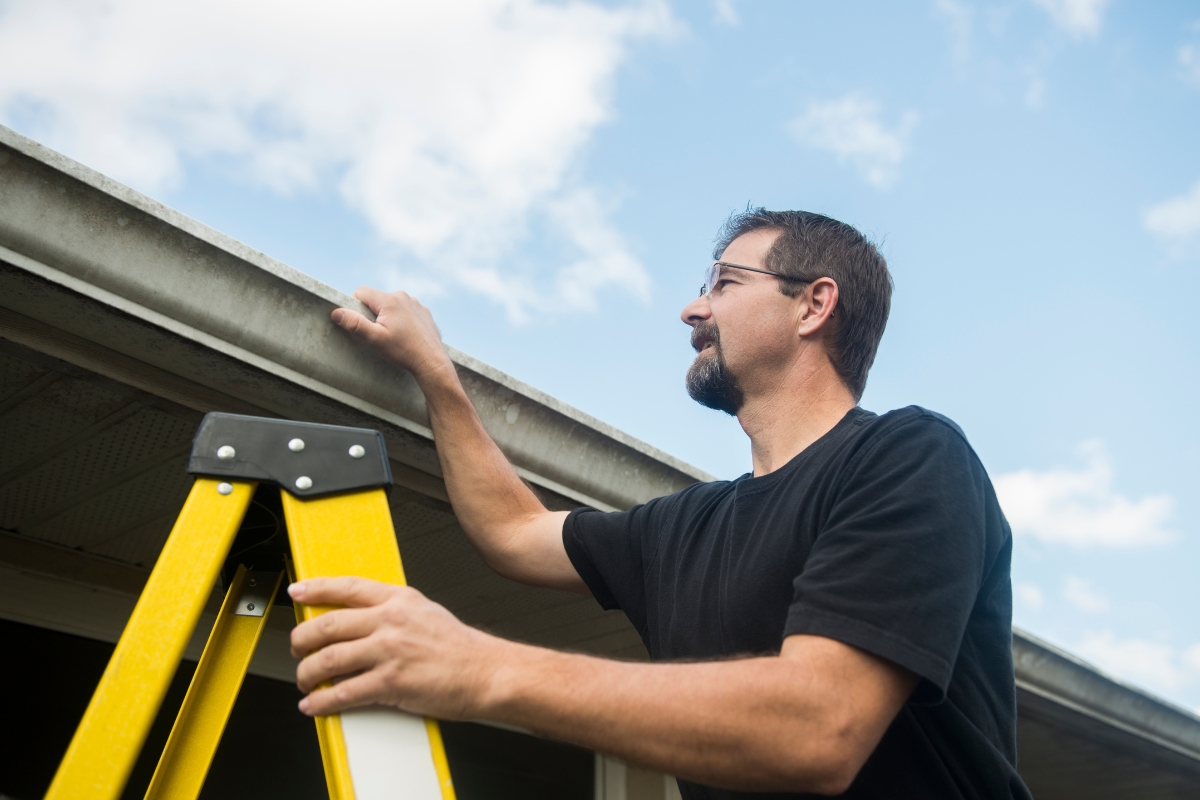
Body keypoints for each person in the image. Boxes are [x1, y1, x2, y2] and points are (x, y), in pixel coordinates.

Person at [288, 209, 1032, 799]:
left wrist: (480, 668)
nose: (691, 308)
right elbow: (513, 532)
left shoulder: (910, 457)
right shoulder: (685, 527)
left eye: (723, 283)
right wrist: (435, 376)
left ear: (814, 304)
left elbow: (821, 725)